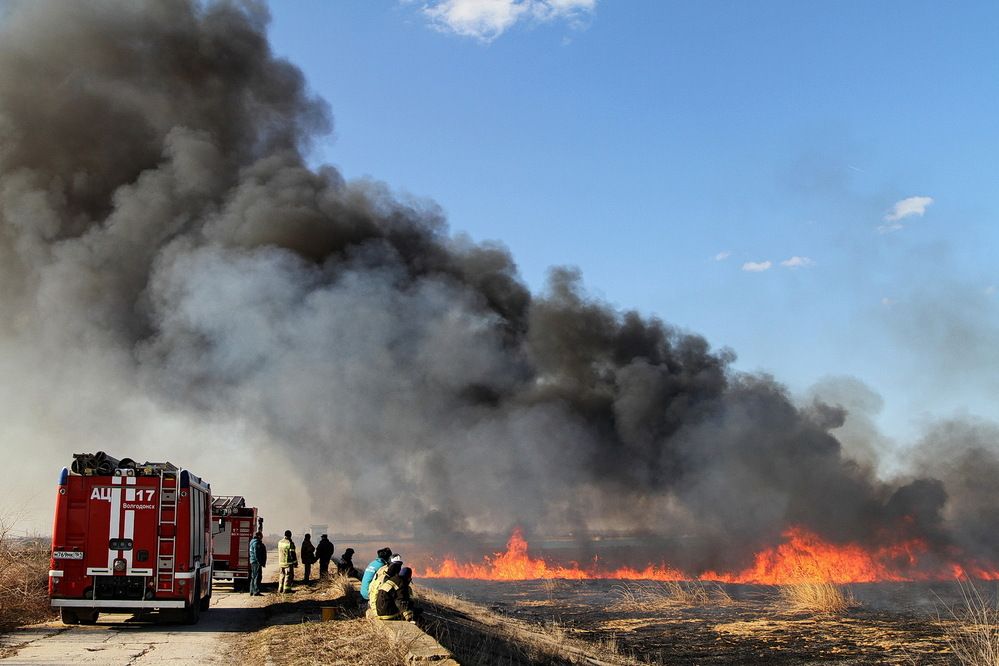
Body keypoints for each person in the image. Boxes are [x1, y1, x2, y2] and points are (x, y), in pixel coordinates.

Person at [248, 531, 266, 596]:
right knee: (257, 577)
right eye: (261, 536)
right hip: (256, 562)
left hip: (253, 561)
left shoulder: (252, 541)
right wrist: (259, 562)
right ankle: (256, 591)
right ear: (259, 536)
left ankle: (251, 591)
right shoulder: (256, 543)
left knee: (253, 576)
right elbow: (257, 553)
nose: (262, 537)